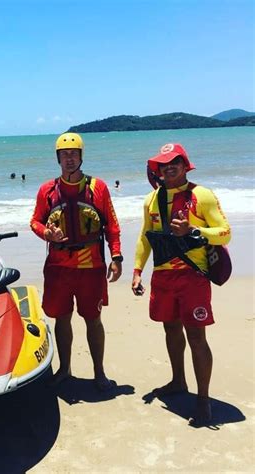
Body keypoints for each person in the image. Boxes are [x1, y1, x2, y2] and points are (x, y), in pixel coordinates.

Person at [132, 143, 231, 425]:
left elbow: (225, 233)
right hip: (162, 277)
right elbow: (144, 237)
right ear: (158, 170)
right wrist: (137, 270)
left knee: (196, 337)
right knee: (171, 330)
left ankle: (203, 400)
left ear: (185, 164)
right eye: (163, 164)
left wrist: (194, 231)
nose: (169, 167)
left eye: (175, 162)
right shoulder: (151, 200)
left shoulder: (202, 195)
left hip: (193, 277)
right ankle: (178, 381)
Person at [30, 132, 123, 389]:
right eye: (64, 154)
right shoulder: (47, 190)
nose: (69, 159)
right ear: (57, 158)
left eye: (73, 154)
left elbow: (112, 226)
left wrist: (116, 256)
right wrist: (46, 233)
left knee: (93, 318)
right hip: (59, 267)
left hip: (90, 266)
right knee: (61, 318)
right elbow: (35, 221)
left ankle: (99, 372)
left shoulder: (98, 188)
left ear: (81, 157)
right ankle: (65, 369)